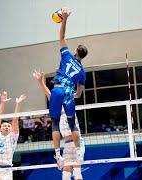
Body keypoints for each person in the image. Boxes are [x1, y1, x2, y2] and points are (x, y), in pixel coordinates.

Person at [49, 7, 88, 164]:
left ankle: (58, 155)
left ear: (76, 51)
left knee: (55, 123)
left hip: (58, 89)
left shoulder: (66, 55)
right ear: (83, 57)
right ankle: (79, 153)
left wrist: (64, 18)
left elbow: (62, 36)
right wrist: (71, 94)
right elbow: (79, 94)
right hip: (68, 93)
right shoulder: (83, 73)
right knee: (72, 125)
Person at [34, 70, 85, 180]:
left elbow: (78, 94)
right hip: (67, 143)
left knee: (77, 172)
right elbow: (47, 92)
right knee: (66, 172)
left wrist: (80, 81)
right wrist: (40, 81)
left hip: (77, 142)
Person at [0, 91, 26, 180]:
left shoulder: (13, 137)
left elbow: (15, 120)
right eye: (4, 126)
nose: (7, 127)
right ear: (0, 128)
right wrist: (3, 103)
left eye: (8, 126)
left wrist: (18, 104)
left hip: (6, 170)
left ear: (11, 129)